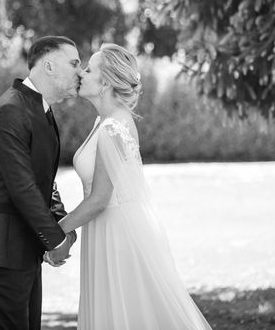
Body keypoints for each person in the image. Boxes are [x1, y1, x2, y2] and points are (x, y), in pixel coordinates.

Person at [46, 43, 213, 329]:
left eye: (88, 70)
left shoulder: (113, 129)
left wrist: (54, 233)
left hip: (117, 236)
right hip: (105, 228)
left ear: (105, 82)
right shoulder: (106, 121)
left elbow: (99, 199)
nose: (81, 74)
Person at [0, 35, 81, 330]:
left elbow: (44, 181)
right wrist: (56, 239)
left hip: (20, 248)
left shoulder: (39, 109)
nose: (80, 71)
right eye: (74, 63)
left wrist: (61, 224)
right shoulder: (11, 110)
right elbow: (22, 187)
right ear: (49, 66)